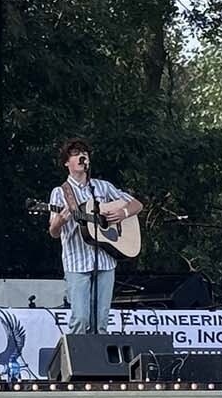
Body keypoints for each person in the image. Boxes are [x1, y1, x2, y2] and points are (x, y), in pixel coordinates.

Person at [46, 138, 143, 334]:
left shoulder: (103, 187)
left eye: (85, 153)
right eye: (75, 154)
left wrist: (122, 214)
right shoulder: (60, 193)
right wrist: (61, 220)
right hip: (77, 263)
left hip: (105, 260)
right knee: (80, 318)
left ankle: (98, 363)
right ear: (67, 162)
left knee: (101, 323)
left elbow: (136, 205)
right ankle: (74, 361)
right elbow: (53, 232)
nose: (82, 156)